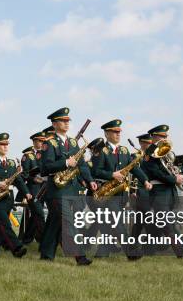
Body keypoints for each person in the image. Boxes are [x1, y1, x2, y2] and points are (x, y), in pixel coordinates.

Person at [39, 108, 98, 266]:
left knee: (54, 224)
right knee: (67, 222)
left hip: (71, 188)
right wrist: (65, 163)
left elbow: (82, 164)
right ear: (54, 123)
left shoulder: (73, 142)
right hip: (56, 190)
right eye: (63, 121)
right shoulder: (49, 144)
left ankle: (46, 254)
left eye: (67, 121)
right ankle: (80, 256)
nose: (66, 123)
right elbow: (45, 168)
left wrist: (89, 179)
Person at [90, 119, 152, 260]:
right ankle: (131, 252)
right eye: (115, 132)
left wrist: (145, 180)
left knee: (108, 225)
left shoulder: (124, 150)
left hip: (121, 193)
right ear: (106, 133)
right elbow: (95, 171)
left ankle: (101, 254)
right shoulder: (101, 150)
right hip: (107, 193)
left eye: (119, 132)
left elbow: (134, 167)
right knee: (118, 223)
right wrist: (112, 174)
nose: (118, 134)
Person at [141, 125, 183, 258]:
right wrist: (174, 179)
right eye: (162, 136)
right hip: (158, 191)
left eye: (166, 136)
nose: (166, 138)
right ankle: (182, 250)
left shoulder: (168, 150)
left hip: (170, 192)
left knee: (158, 224)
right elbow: (155, 172)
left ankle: (147, 249)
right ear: (154, 137)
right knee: (166, 222)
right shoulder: (149, 153)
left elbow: (181, 165)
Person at [0, 133, 32, 257]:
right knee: (5, 223)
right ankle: (17, 248)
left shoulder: (11, 163)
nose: (5, 147)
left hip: (9, 197)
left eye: (6, 144)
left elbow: (18, 180)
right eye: (2, 145)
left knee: (0, 226)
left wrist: (26, 192)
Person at [19, 131, 46, 244]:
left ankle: (26, 239)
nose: (41, 143)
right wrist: (34, 179)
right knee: (39, 213)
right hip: (33, 188)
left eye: (42, 141)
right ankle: (45, 239)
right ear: (34, 142)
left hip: (44, 187)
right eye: (39, 141)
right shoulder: (28, 156)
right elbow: (24, 174)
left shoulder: (46, 154)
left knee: (35, 215)